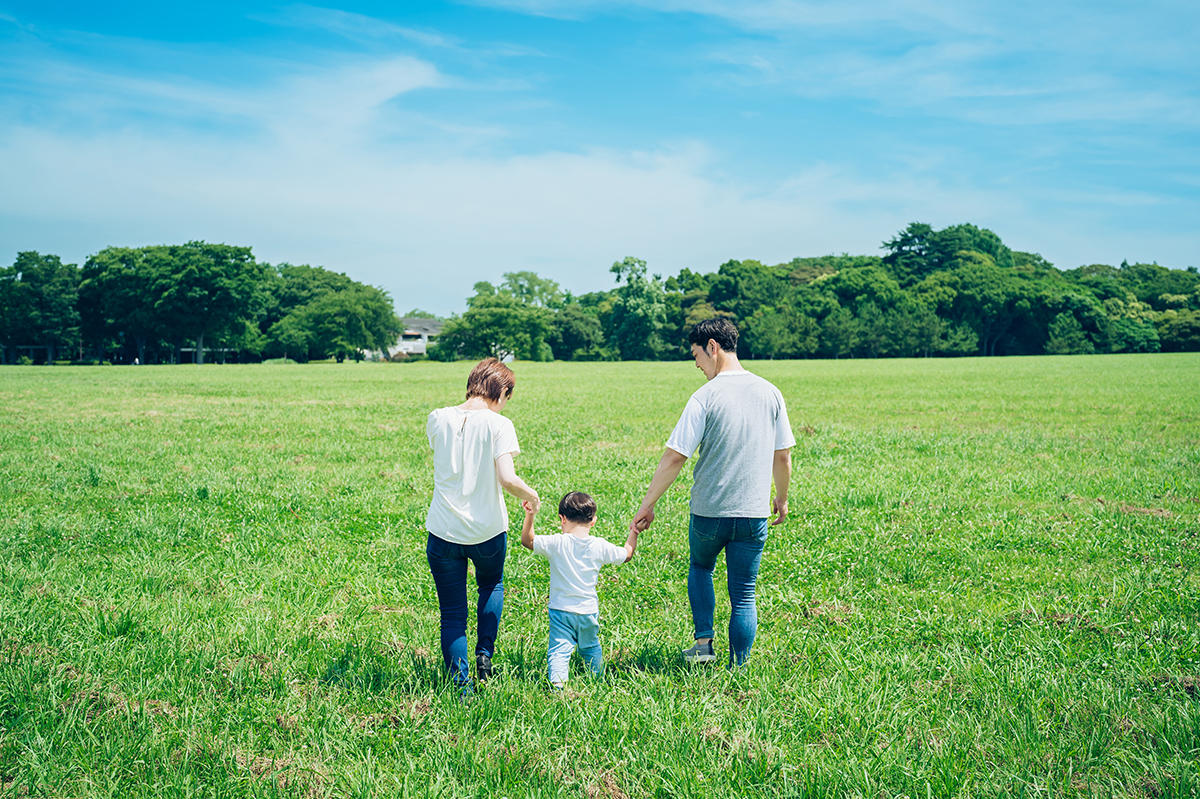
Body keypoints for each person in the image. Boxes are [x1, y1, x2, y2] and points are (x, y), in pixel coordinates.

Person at [629, 318, 795, 667]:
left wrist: (648, 505)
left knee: (701, 567)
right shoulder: (770, 392)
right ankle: (740, 666)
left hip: (709, 512)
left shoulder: (705, 396)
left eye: (696, 356)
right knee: (744, 594)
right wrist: (780, 497)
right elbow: (783, 455)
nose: (696, 365)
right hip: (753, 512)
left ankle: (703, 645)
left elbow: (675, 456)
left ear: (713, 347)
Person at [425, 358, 540, 691]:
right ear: (501, 392)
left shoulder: (437, 418)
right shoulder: (499, 425)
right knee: (491, 586)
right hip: (487, 531)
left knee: (452, 615)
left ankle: (462, 689)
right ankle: (484, 654)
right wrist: (530, 494)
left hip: (443, 531)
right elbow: (507, 478)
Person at [521, 491, 638, 687]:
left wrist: (530, 515)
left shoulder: (557, 543)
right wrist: (634, 531)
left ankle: (558, 687)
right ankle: (598, 682)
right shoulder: (599, 546)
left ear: (562, 518)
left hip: (561, 610)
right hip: (588, 611)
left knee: (559, 650)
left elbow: (528, 541)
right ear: (593, 521)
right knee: (591, 647)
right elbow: (627, 555)